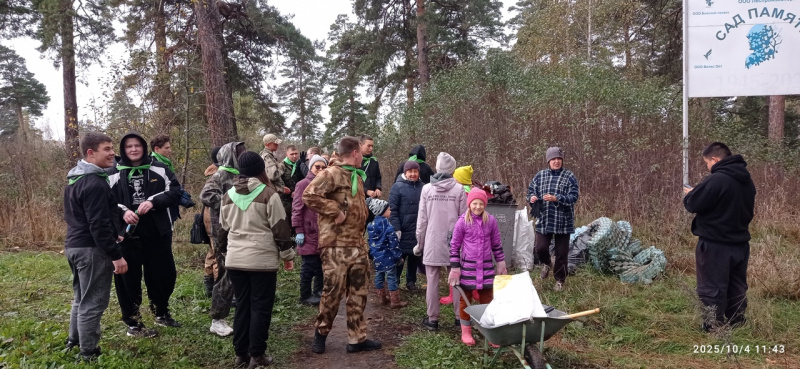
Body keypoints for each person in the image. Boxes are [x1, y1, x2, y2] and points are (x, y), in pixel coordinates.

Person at [302, 136, 382, 354]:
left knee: (359, 292)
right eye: (362, 153)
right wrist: (334, 211)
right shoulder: (332, 173)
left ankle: (357, 338)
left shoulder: (356, 175)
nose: (364, 156)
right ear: (355, 153)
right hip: (336, 245)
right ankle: (321, 333)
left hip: (357, 244)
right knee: (332, 293)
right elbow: (309, 195)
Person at [219, 151, 296, 368]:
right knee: (260, 307)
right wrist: (287, 256)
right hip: (261, 262)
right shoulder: (269, 194)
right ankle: (257, 355)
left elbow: (223, 231)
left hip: (235, 260)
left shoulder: (228, 195)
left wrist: (224, 253)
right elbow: (281, 229)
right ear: (260, 169)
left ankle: (241, 354)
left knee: (242, 304)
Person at [109, 132, 181, 337]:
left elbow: (175, 191)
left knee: (163, 275)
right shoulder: (114, 172)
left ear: (144, 147)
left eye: (137, 145)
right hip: (128, 237)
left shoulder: (159, 168)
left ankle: (161, 312)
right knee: (128, 280)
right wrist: (124, 211)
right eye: (129, 146)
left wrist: (153, 202)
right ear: (123, 149)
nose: (133, 149)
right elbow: (107, 200)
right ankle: (133, 321)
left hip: (158, 234)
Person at [64, 132, 128, 361]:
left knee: (81, 297)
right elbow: (97, 225)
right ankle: (88, 352)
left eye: (112, 148)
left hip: (74, 246)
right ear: (90, 153)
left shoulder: (75, 178)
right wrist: (115, 254)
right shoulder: (94, 183)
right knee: (93, 302)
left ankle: (74, 340)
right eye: (107, 149)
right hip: (91, 250)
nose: (113, 153)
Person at [683, 142, 755, 332]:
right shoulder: (746, 180)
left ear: (715, 160)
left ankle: (713, 325)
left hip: (715, 244)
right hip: (740, 244)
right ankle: (737, 321)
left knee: (711, 286)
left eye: (707, 163)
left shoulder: (717, 179)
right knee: (737, 284)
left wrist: (690, 194)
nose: (708, 167)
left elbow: (693, 204)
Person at [448, 188, 506, 346]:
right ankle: (466, 331)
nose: (478, 207)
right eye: (475, 203)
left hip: (487, 268)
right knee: (465, 301)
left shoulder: (491, 221)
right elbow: (454, 246)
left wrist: (501, 263)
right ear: (469, 204)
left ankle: (489, 331)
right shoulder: (463, 221)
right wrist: (455, 268)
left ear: (485, 205)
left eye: (481, 203)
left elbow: (496, 244)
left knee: (488, 300)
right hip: (468, 268)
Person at [415, 152, 466, 331]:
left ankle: (433, 319)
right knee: (457, 281)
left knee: (432, 281)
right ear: (452, 169)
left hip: (432, 242)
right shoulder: (459, 189)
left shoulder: (427, 189)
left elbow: (422, 220)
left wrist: (419, 244)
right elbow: (464, 220)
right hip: (455, 243)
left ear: (436, 167)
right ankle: (460, 318)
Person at [201, 141, 246, 337]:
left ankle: (238, 313)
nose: (243, 155)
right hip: (223, 233)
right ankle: (217, 319)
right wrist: (231, 203)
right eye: (239, 152)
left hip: (239, 230)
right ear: (230, 155)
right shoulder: (221, 175)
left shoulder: (239, 174)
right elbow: (206, 195)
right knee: (225, 276)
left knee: (238, 274)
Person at [527, 147, 579, 292]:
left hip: (563, 221)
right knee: (540, 248)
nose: (556, 161)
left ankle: (560, 280)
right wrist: (531, 198)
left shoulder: (569, 176)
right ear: (548, 161)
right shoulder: (540, 175)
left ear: (562, 160)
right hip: (544, 219)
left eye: (559, 159)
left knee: (561, 253)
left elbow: (574, 197)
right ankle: (546, 263)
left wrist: (557, 198)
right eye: (553, 159)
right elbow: (531, 191)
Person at [292, 155, 328, 306]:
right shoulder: (303, 184)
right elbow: (297, 209)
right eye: (317, 167)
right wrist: (299, 230)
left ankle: (318, 291)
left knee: (321, 265)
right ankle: (305, 295)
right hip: (308, 231)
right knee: (308, 266)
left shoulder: (327, 184)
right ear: (311, 167)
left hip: (324, 232)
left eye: (323, 167)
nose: (320, 170)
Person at [389, 161, 424, 292]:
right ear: (405, 172)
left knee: (414, 257)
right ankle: (395, 282)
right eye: (410, 171)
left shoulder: (424, 187)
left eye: (415, 171)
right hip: (403, 230)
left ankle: (411, 282)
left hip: (417, 229)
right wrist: (396, 228)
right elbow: (393, 209)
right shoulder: (397, 187)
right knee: (400, 257)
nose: (413, 174)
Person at [367, 198, 407, 309]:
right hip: (388, 257)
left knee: (379, 276)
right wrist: (398, 257)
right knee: (391, 278)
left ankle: (382, 298)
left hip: (377, 258)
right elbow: (393, 244)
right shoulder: (388, 227)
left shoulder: (370, 226)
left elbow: (370, 242)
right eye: (389, 210)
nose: (391, 211)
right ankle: (395, 301)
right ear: (382, 211)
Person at [150, 134, 195, 225]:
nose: (170, 151)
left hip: (171, 207)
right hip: (160, 210)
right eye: (166, 148)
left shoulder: (166, 163)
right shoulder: (151, 165)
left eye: (170, 148)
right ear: (157, 149)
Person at [202, 146, 222, 297]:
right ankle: (218, 288)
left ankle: (208, 284)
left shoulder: (212, 172)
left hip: (207, 215)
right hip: (212, 215)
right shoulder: (219, 175)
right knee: (217, 251)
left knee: (212, 249)